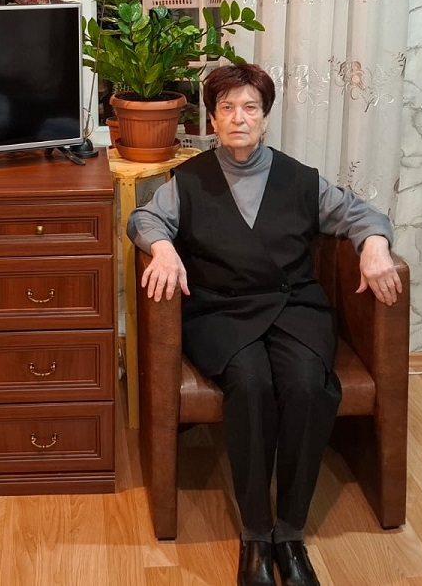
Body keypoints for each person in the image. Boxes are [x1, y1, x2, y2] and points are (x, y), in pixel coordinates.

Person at [127, 63, 403, 586]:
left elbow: (361, 213)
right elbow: (144, 218)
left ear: (266, 117)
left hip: (294, 305)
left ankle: (290, 532)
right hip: (222, 310)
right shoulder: (189, 181)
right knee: (250, 384)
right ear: (212, 119)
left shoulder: (300, 179)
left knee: (307, 384)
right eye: (227, 108)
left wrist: (374, 244)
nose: (239, 118)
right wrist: (162, 248)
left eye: (250, 107)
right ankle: (256, 533)